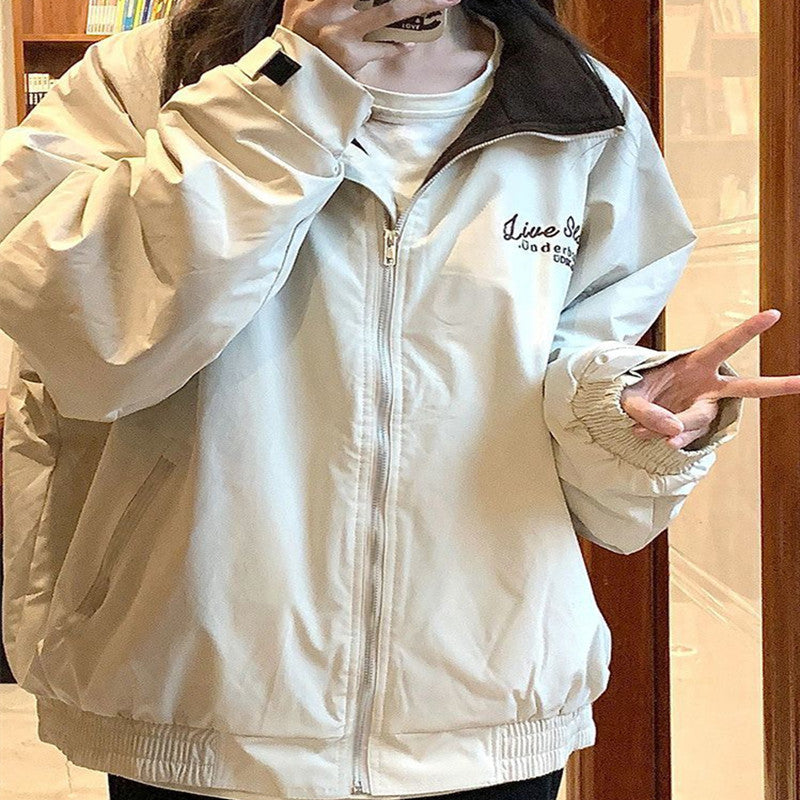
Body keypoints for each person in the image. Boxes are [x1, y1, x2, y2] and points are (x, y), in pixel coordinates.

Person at [2, 0, 798, 799]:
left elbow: (568, 374)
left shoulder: (575, 102)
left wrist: (623, 406)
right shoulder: (149, 74)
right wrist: (285, 87)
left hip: (484, 713)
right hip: (198, 703)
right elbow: (86, 341)